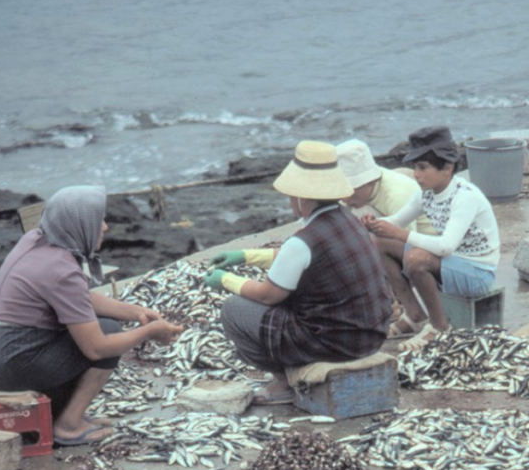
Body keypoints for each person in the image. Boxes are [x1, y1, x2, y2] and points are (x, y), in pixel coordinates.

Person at [0, 185, 183, 445]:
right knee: (108, 332)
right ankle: (68, 425)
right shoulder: (60, 269)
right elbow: (96, 349)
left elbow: (78, 298)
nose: (105, 227)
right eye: (98, 221)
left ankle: (65, 414)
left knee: (104, 325)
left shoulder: (37, 241)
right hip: (9, 364)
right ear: (78, 225)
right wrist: (149, 332)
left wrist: (135, 311)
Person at [204, 140, 392, 405]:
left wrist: (226, 280)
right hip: (372, 334)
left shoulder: (304, 240)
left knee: (234, 310)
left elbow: (268, 295)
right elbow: (299, 259)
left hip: (337, 343)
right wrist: (245, 256)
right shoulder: (348, 219)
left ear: (302, 197)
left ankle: (284, 383)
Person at [364, 126, 500, 351]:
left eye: (423, 167)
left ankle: (439, 326)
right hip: (451, 264)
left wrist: (401, 233)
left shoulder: (464, 196)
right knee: (379, 242)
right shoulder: (426, 194)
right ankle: (414, 314)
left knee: (417, 258)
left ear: (447, 167)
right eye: (415, 167)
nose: (416, 174)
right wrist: (374, 224)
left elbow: (446, 247)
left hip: (477, 272)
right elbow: (396, 221)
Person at [336, 138, 435, 236]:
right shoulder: (361, 192)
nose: (344, 198)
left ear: (368, 181)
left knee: (367, 234)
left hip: (432, 240)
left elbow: (409, 243)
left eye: (349, 190)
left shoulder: (396, 197)